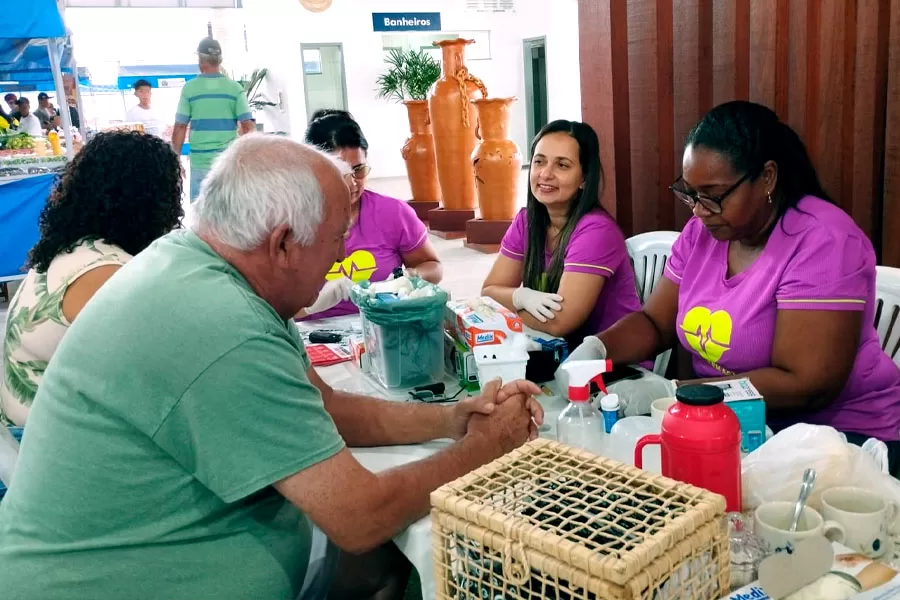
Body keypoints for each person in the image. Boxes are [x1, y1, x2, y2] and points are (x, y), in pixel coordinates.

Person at [0, 134, 543, 600]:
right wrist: (483, 449)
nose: (341, 257)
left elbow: (327, 408)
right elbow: (358, 517)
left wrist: (452, 419)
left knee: (383, 562)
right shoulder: (219, 322)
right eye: (336, 239)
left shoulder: (206, 267)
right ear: (283, 243)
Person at [569, 101, 900, 475]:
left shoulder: (824, 241)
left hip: (840, 445)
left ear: (767, 178)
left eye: (713, 195)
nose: (698, 210)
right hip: (734, 428)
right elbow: (655, 322)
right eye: (691, 194)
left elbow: (804, 385)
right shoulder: (702, 233)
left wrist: (676, 394)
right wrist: (597, 349)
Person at [0, 131, 184, 426]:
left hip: (25, 424)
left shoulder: (72, 250)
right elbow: (159, 371)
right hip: (50, 436)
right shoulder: (108, 274)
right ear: (151, 202)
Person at [481, 120, 642, 346]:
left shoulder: (597, 231)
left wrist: (505, 312)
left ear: (584, 178)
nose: (545, 174)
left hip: (610, 359)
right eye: (539, 161)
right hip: (553, 351)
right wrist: (520, 297)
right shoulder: (526, 222)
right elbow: (489, 292)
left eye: (562, 165)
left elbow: (559, 322)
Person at [298, 112, 443, 320]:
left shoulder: (392, 213)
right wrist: (310, 308)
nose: (353, 183)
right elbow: (266, 306)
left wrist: (407, 277)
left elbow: (433, 268)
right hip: (310, 332)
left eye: (359, 170)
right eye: (340, 172)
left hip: (382, 325)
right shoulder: (292, 220)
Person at [172, 37, 255, 202]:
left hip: (200, 163)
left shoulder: (190, 89)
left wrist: (176, 160)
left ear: (200, 60)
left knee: (200, 212)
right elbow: (248, 127)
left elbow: (180, 127)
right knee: (230, 210)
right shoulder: (235, 89)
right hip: (228, 163)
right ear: (220, 60)